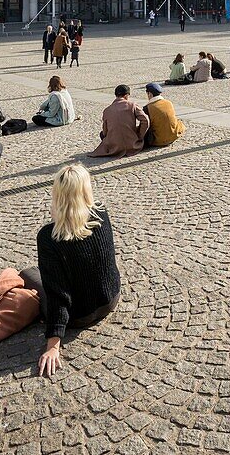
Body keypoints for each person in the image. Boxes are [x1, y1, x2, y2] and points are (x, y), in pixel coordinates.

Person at [35, 164, 121, 377]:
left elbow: (57, 294)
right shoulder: (101, 213)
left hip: (79, 314)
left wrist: (53, 344)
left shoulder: (49, 237)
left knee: (25, 276)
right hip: (110, 298)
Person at [89, 85, 149, 158]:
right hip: (132, 144)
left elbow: (105, 131)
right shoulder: (132, 105)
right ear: (126, 95)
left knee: (102, 134)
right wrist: (140, 135)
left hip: (114, 146)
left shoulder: (107, 110)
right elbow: (145, 120)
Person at [143, 83, 185, 147]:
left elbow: (146, 125)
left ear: (150, 94)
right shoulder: (168, 103)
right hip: (174, 135)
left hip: (159, 140)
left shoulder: (147, 108)